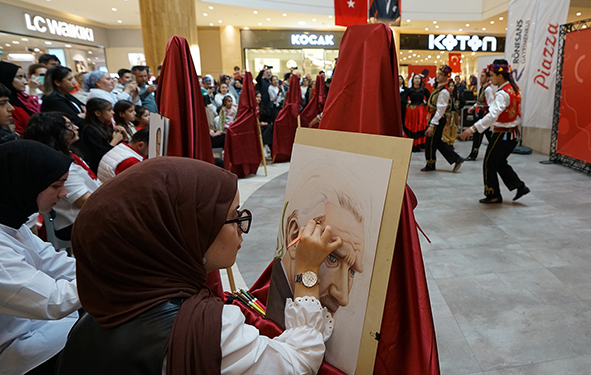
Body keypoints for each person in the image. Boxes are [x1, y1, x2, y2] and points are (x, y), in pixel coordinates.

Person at [56, 157, 341, 374]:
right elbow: (297, 363)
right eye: (233, 217)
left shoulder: (93, 318)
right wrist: (307, 273)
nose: (242, 227)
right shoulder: (204, 330)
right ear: (182, 234)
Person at [0, 140, 81, 375]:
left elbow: (55, 262)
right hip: (13, 351)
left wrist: (108, 268)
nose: (64, 193)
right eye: (57, 185)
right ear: (24, 184)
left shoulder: (14, 223)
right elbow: (53, 302)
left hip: (34, 331)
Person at [268, 164, 366, 327]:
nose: (342, 297)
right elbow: (304, 349)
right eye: (332, 257)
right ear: (294, 235)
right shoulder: (266, 325)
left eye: (352, 271)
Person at [460, 59, 529, 203]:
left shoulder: (503, 94)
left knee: (490, 162)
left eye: (491, 75)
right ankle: (519, 186)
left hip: (502, 134)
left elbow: (492, 115)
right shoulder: (513, 89)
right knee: (500, 162)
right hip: (512, 133)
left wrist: (472, 129)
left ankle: (493, 194)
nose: (490, 78)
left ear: (500, 76)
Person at [23, 112, 100, 241]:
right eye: (69, 126)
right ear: (55, 133)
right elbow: (84, 201)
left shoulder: (69, 154)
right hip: (75, 221)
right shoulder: (57, 164)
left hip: (89, 211)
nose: (76, 127)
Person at [421, 65, 464, 172]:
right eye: (438, 73)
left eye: (440, 74)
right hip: (434, 117)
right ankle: (455, 158)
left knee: (431, 142)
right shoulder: (438, 88)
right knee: (436, 142)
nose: (438, 76)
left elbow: (440, 110)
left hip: (437, 118)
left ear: (446, 77)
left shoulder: (444, 91)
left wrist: (432, 125)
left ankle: (431, 163)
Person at [77, 98, 125, 173]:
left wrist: (124, 137)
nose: (113, 112)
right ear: (98, 113)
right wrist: (114, 141)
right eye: (109, 110)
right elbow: (100, 155)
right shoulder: (89, 130)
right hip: (101, 168)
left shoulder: (105, 125)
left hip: (114, 160)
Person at [0, 61, 40, 135]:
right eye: (19, 77)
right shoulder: (8, 104)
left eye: (24, 77)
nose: (25, 82)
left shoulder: (19, 98)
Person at [465, 69, 494, 161]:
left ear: (488, 78)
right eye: (480, 76)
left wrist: (489, 119)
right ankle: (474, 154)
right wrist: (473, 107)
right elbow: (479, 101)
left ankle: (474, 154)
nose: (480, 78)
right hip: (480, 113)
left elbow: (490, 104)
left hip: (485, 114)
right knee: (480, 134)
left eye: (482, 76)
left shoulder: (488, 89)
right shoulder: (483, 88)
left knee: (482, 134)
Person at [401, 73, 429, 152]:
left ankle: (420, 145)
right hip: (411, 111)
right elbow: (403, 99)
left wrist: (426, 102)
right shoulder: (409, 90)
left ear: (420, 80)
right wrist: (407, 102)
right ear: (412, 80)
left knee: (420, 126)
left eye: (418, 79)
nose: (417, 80)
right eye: (415, 78)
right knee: (412, 126)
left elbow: (430, 98)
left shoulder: (424, 90)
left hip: (420, 111)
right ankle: (411, 145)